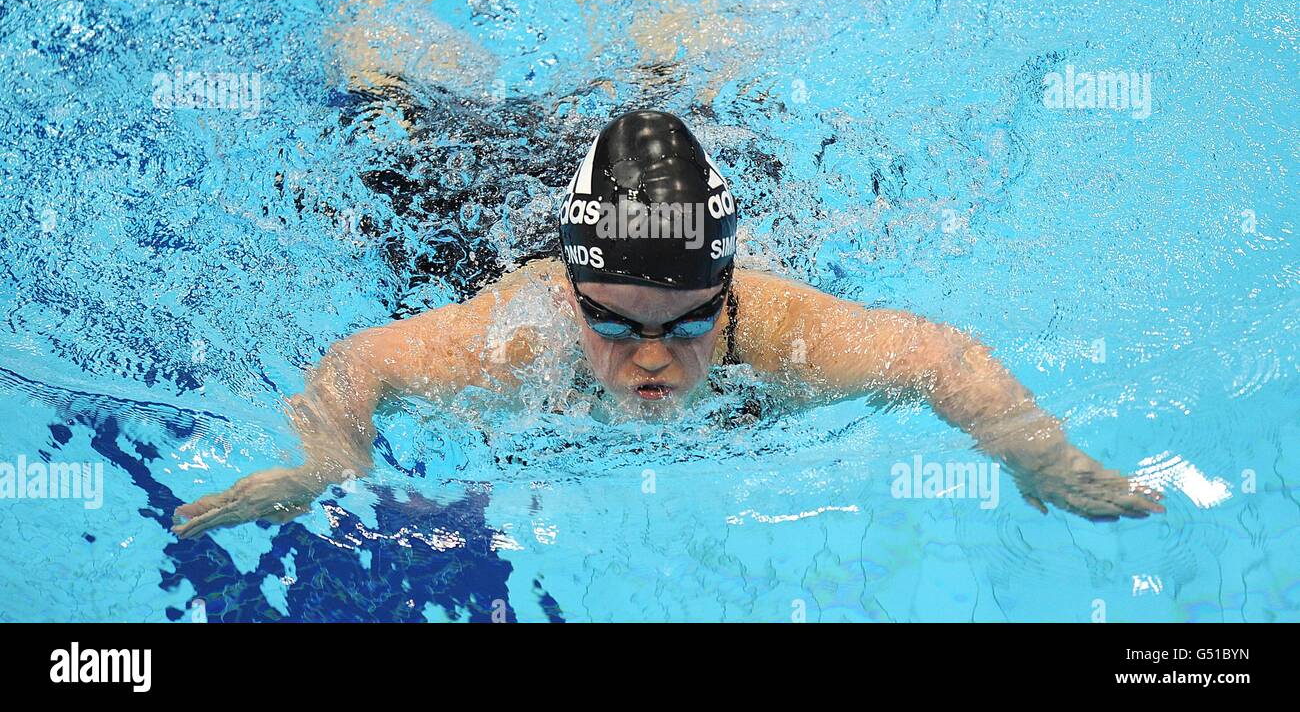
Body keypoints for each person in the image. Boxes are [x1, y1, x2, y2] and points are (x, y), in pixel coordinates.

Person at [173, 109, 1164, 538]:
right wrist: (322, 464)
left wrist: (1035, 452)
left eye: (690, 323)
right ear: (569, 295)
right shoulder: (515, 337)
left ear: (728, 296)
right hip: (488, 196)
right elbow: (358, 363)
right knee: (387, 109)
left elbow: (944, 357)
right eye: (612, 321)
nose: (653, 355)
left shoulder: (781, 332)